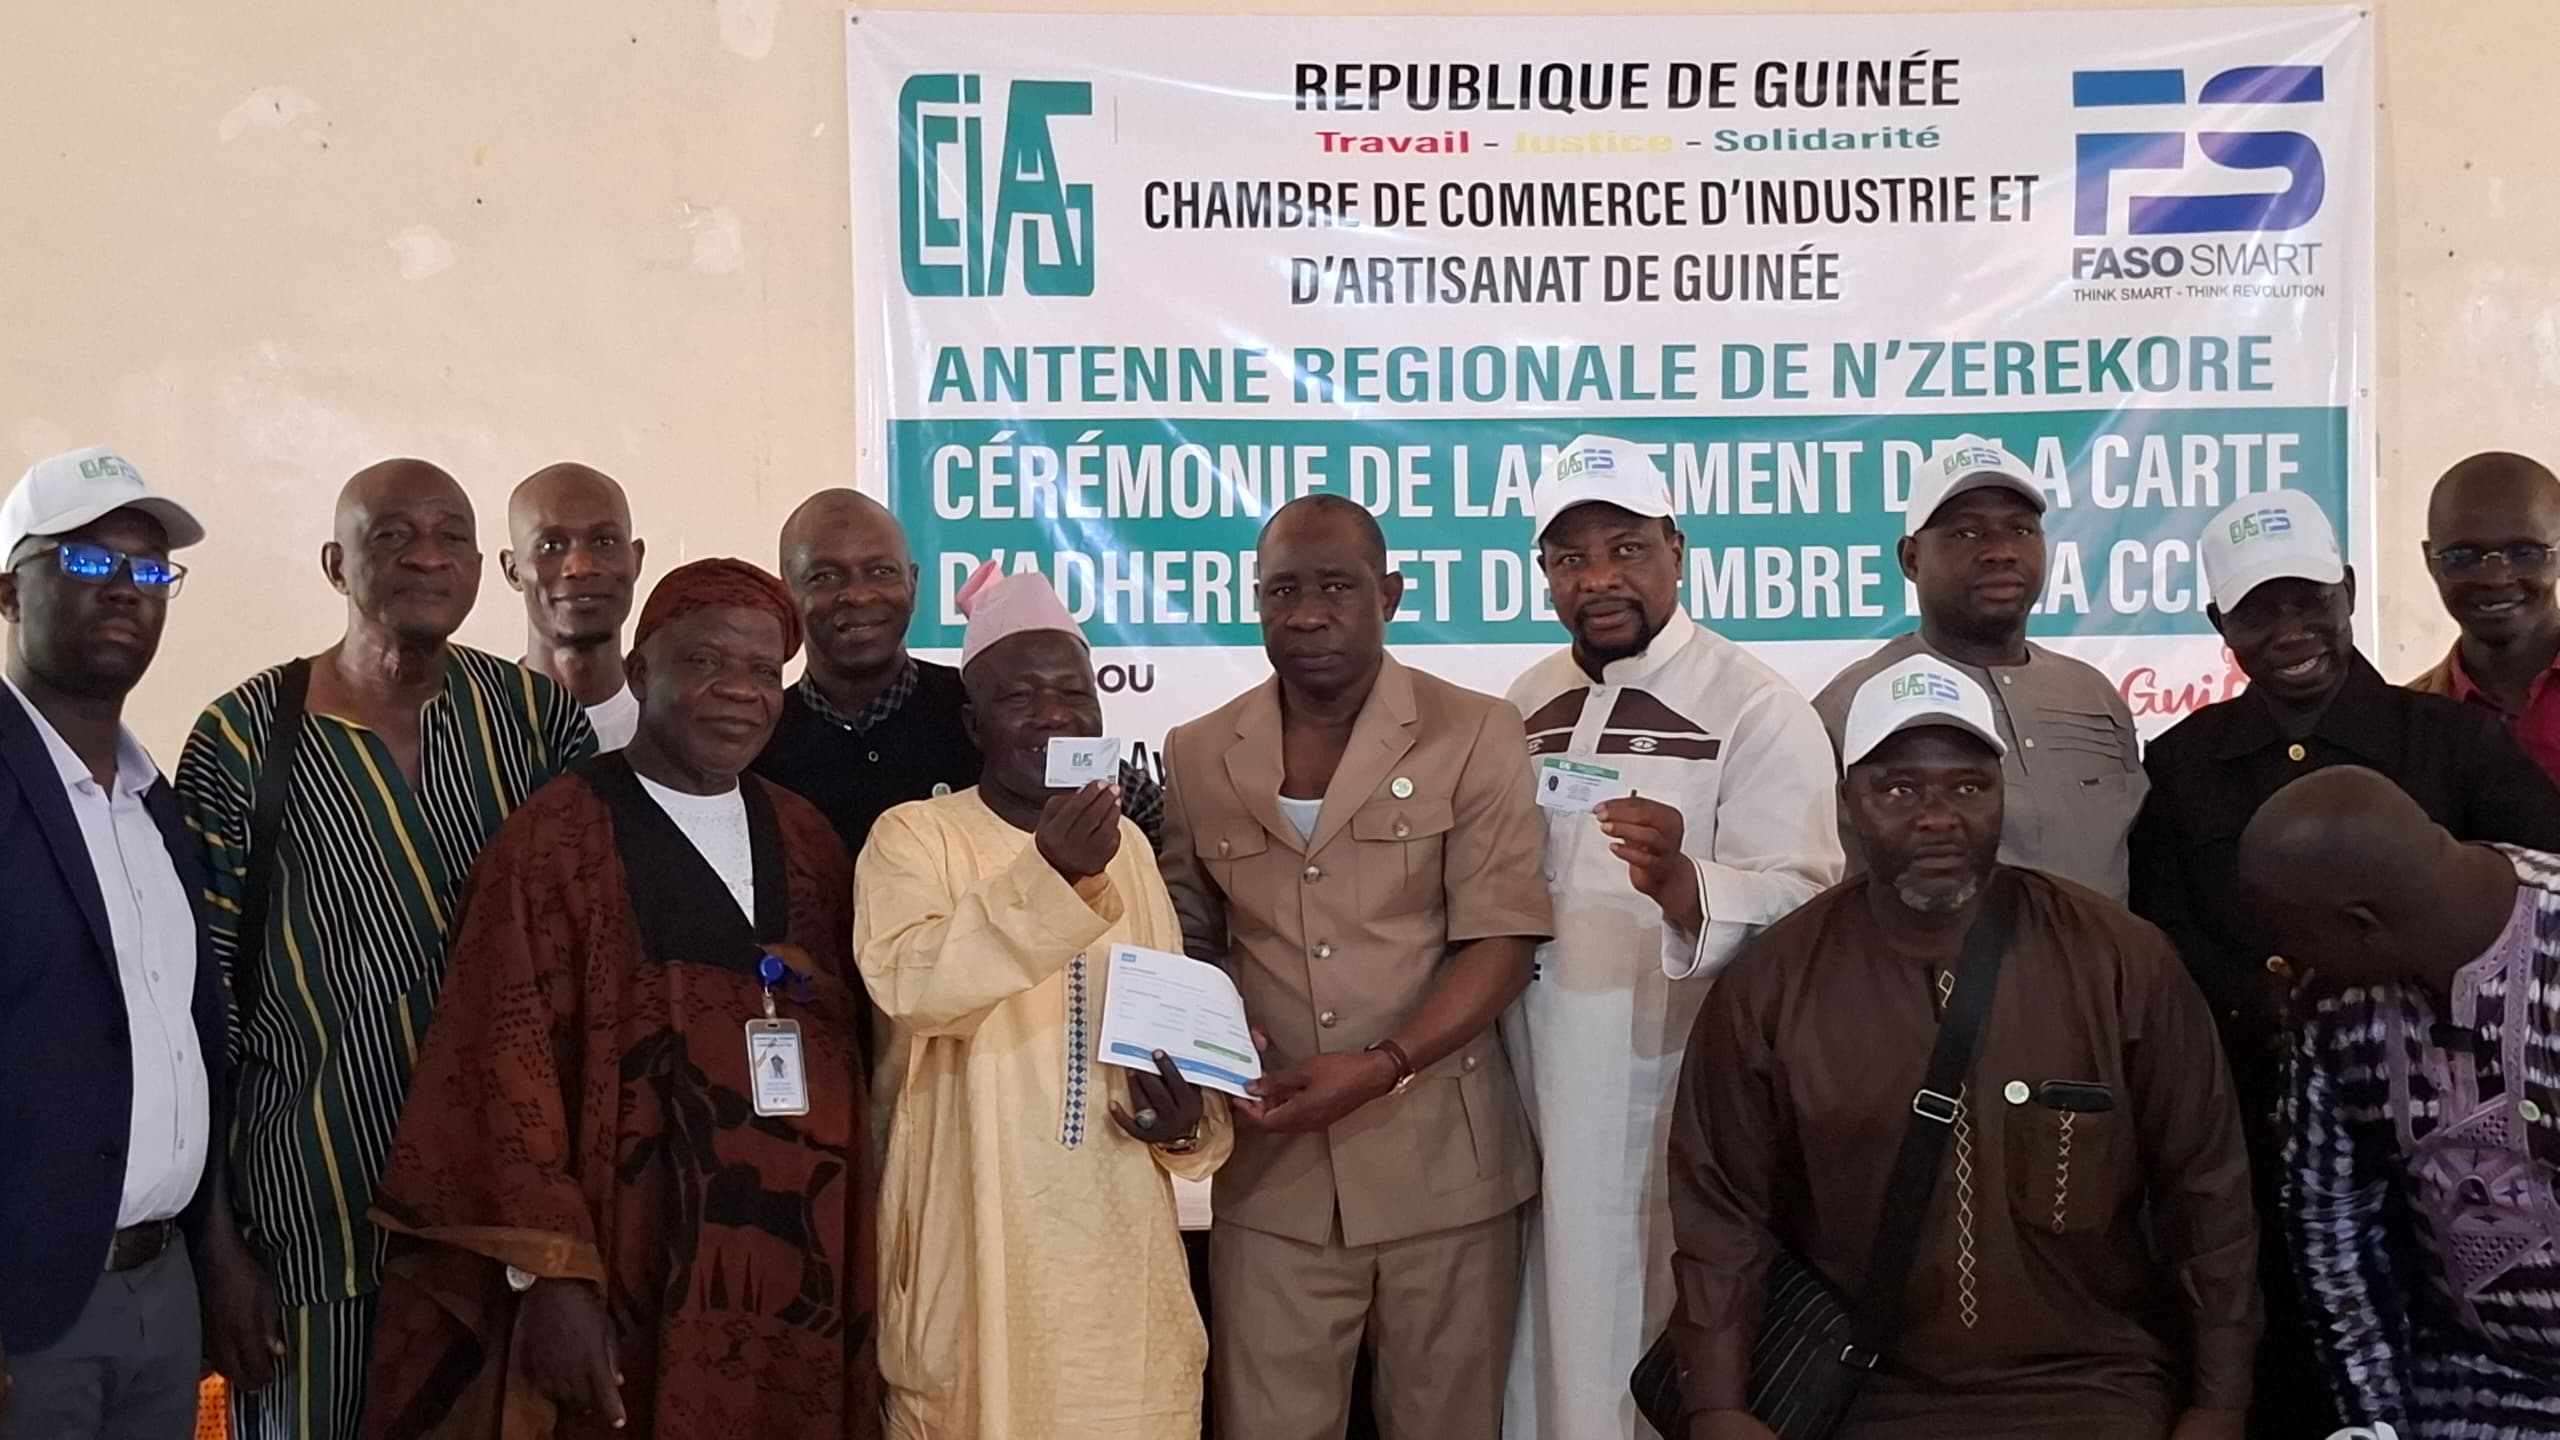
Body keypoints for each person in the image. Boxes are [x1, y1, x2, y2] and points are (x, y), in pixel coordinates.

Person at [1669, 656, 2259, 1440]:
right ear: (1847, 800)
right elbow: (1723, 1215)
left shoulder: (2119, 960)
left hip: (2092, 1385)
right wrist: (1716, 1405)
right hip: (1861, 1392)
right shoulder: (1774, 984)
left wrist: (2220, 1402)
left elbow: (2205, 1188)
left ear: (2002, 793)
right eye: (1899, 789)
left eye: (1969, 787)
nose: (1938, 817)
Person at [361, 559, 879, 1439]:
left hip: (802, 1281)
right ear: (640, 673)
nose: (739, 691)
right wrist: (553, 1275)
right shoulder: (556, 840)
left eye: (763, 671)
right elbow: (501, 1068)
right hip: (627, 1268)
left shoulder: (807, 840)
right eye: (705, 662)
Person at [176, 459, 595, 1440]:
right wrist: (215, 1247)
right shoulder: (245, 737)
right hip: (310, 1227)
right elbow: (196, 1014)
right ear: (337, 564)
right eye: (392, 535)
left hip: (492, 1228)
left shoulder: (535, 725)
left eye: (451, 536)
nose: (426, 557)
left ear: (482, 567)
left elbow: (581, 978)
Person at [2128, 487, 2560, 1440]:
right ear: (2220, 625)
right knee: (2297, 1341)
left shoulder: (2451, 739)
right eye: (2258, 611)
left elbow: (2526, 887)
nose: (2289, 629)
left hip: (2466, 1141)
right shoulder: (2183, 762)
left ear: (2350, 592)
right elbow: (2163, 927)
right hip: (2256, 1116)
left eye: (2307, 600)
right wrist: (2271, 1005)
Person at [1158, 494, 1553, 1440]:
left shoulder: (1475, 730)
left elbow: (1502, 941)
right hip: (1273, 1177)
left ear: (1391, 595)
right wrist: (1215, 1028)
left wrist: (1383, 1066)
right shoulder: (1200, 750)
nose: (1306, 615)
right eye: (1281, 591)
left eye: (1336, 588)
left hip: (1445, 1173)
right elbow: (1188, 935)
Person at [1500, 435, 1842, 1440]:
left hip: (1665, 1099)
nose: (1599, 578)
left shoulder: (1754, 705)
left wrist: (1690, 886)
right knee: (1542, 1350)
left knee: (1650, 1346)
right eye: (1570, 558)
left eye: (1626, 549)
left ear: (1677, 549)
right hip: (1523, 1096)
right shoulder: (1522, 704)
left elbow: (1810, 902)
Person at [853, 562, 1227, 1438]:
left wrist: (1187, 1128)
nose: (1054, 714)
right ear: (973, 724)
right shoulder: (914, 838)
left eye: (1072, 692)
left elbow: (1167, 1022)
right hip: (972, 1243)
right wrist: (1053, 872)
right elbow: (917, 987)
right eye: (1020, 697)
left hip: (1119, 1261)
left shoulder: (1132, 846)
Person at [2239, 766, 2560, 1440]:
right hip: (2469, 1380)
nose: (2281, 961)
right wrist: (2376, 1418)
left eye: (2288, 938)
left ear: (2363, 925)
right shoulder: (2334, 1004)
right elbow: (2330, 1220)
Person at [0, 448, 218, 1439]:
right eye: (89, 561)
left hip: (160, 1293)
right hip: (26, 1314)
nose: (127, 587)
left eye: (149, 567)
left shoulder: (154, 806)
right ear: (11, 592)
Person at [1813, 436, 2146, 900]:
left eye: (2021, 530)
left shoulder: (2093, 694)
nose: (2001, 551)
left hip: (2101, 950)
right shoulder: (1853, 704)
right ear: (1911, 558)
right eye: (1966, 533)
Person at [754, 489, 1167, 862]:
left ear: (913, 584)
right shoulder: (759, 734)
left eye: (881, 571)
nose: (859, 595)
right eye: (825, 576)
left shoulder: (989, 711)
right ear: (786, 593)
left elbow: (1143, 810)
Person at [2407, 452, 2560, 784]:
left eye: (2524, 553)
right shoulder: (2405, 730)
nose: (2495, 578)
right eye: (2463, 556)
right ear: (2431, 562)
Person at [500, 462, 645, 750]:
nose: (581, 567)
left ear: (636, 559)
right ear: (513, 570)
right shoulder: (465, 731)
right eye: (550, 546)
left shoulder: (682, 733)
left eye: (604, 541)